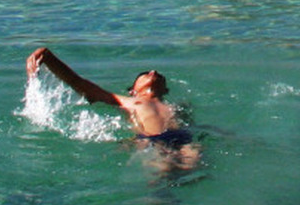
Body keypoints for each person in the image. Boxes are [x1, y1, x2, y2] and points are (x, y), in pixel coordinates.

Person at [26, 46, 196, 159]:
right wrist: (47, 56)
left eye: (156, 73)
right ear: (133, 90)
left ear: (165, 90)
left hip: (184, 140)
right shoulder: (128, 102)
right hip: (152, 141)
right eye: (145, 73)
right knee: (162, 179)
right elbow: (80, 84)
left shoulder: (178, 107)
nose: (153, 71)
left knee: (196, 170)